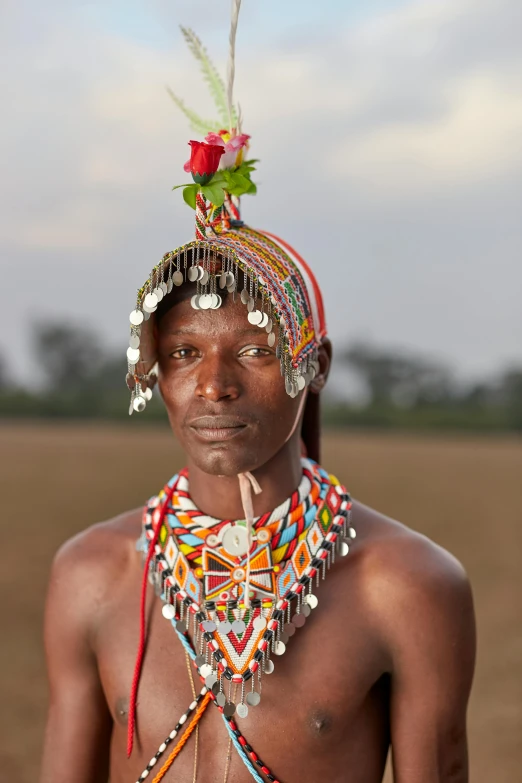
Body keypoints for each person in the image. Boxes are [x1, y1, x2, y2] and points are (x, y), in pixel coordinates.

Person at [40, 13, 476, 783]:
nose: (215, 385)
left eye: (255, 350)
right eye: (182, 353)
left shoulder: (406, 585)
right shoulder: (92, 573)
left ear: (315, 365)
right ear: (155, 375)